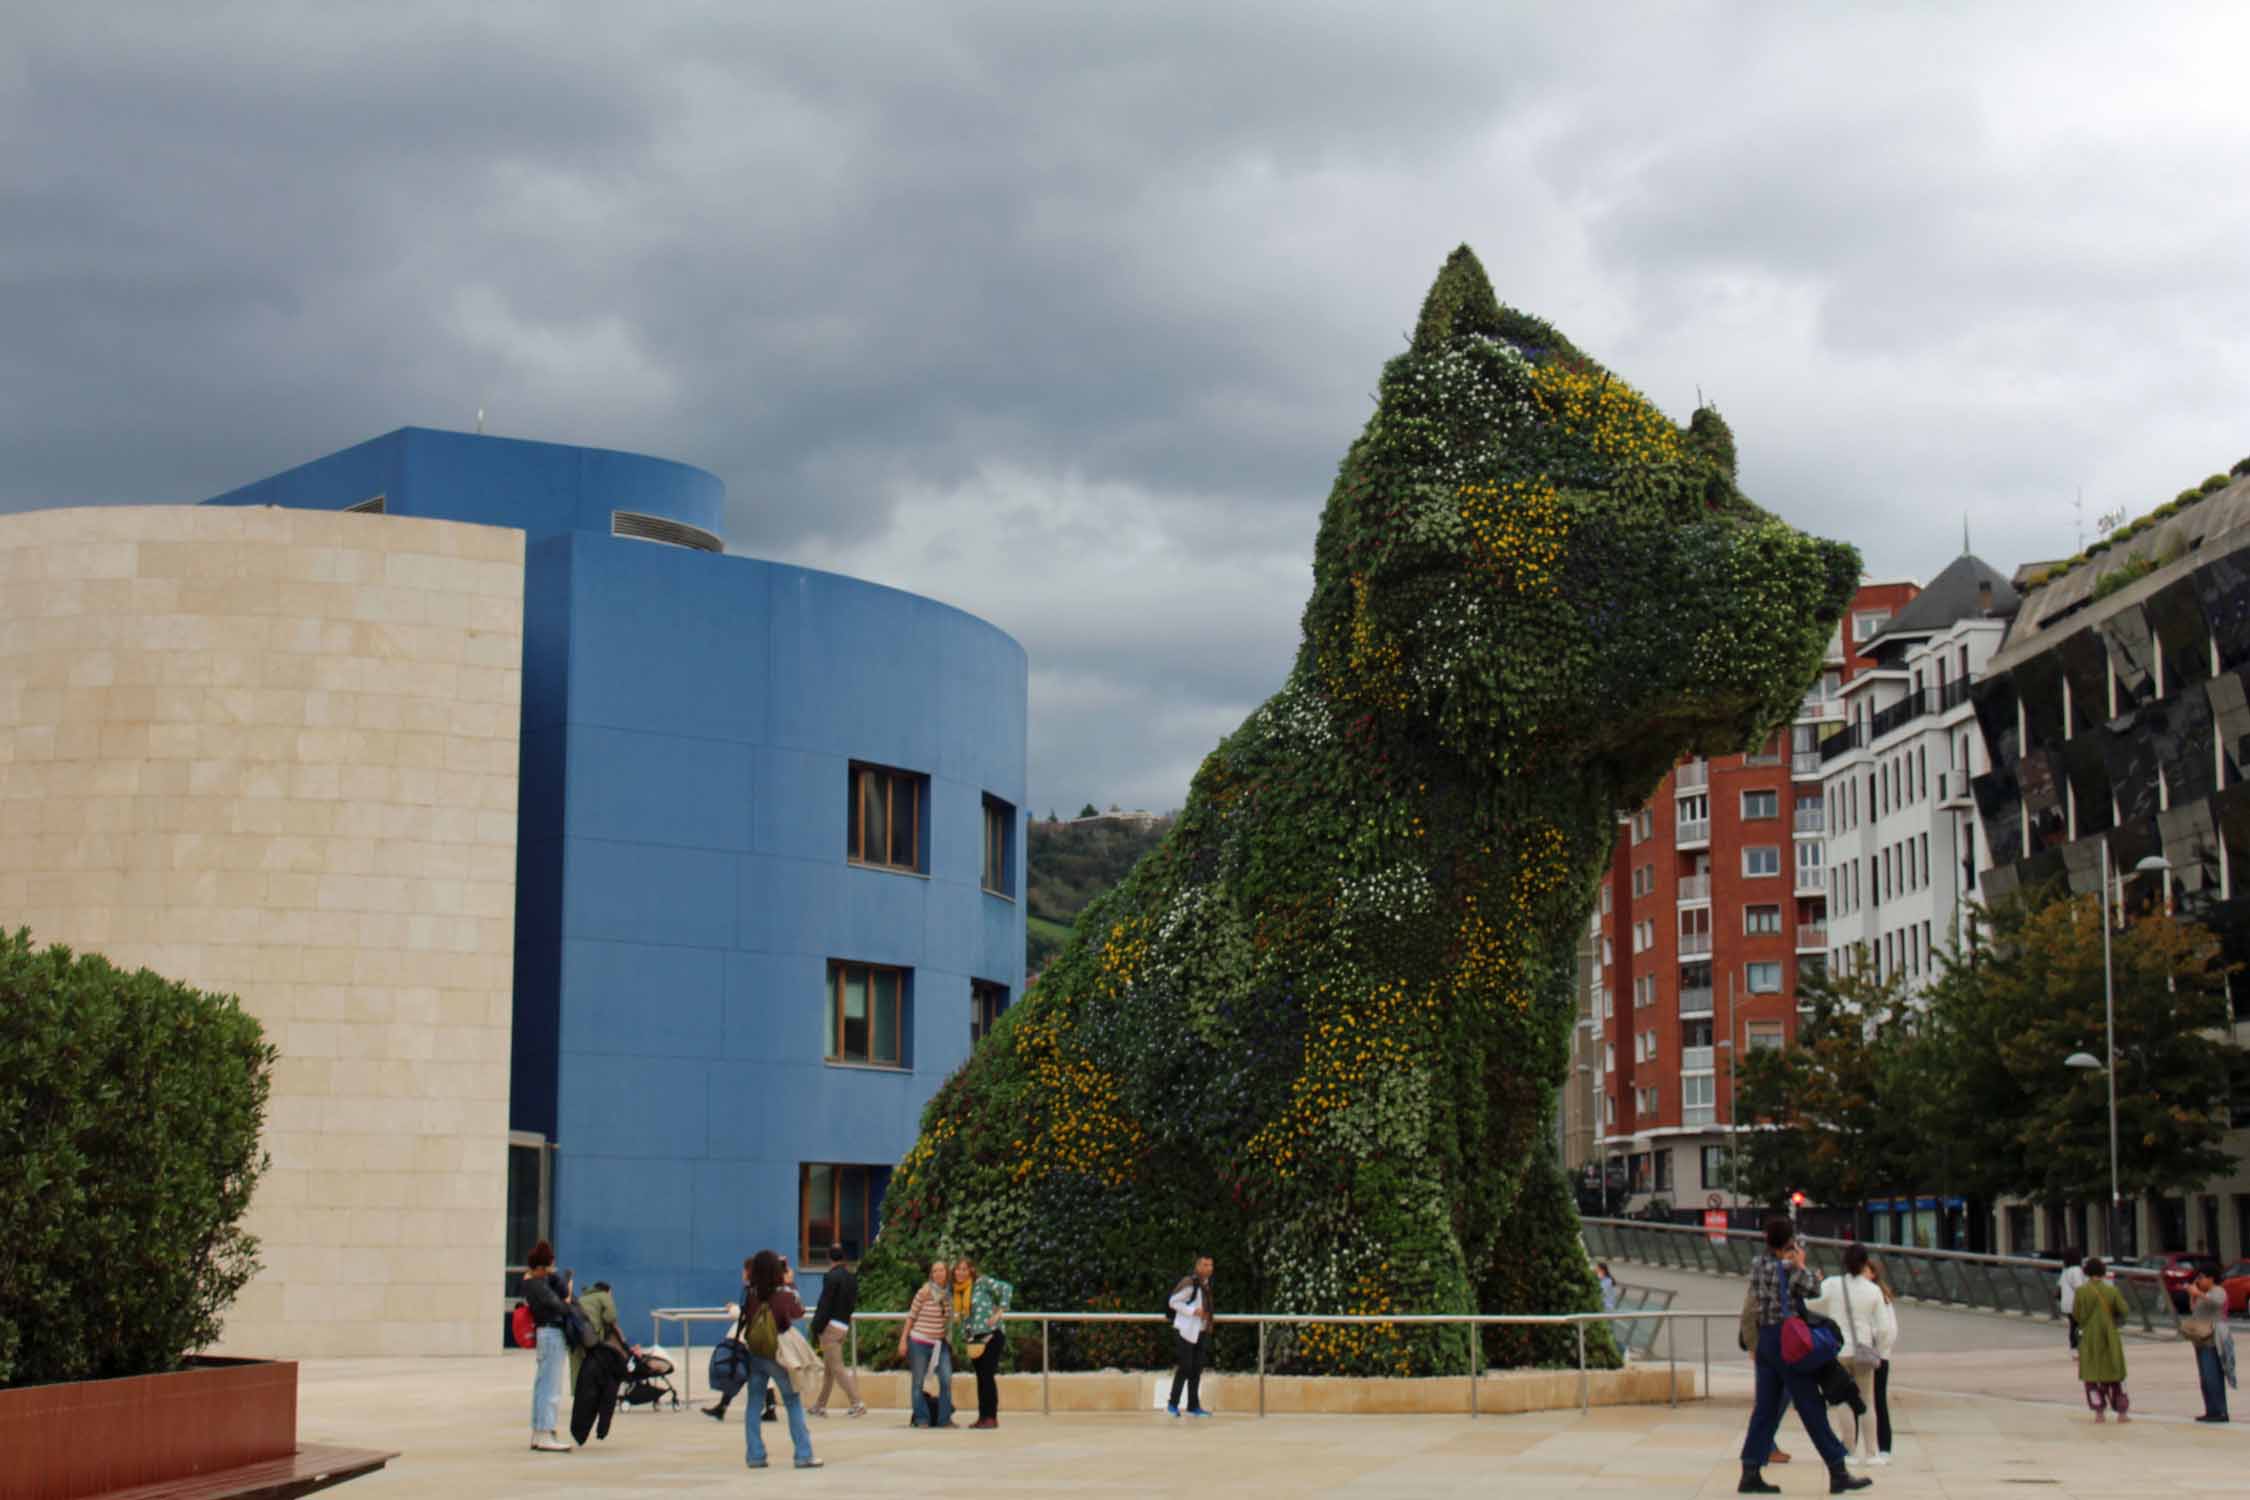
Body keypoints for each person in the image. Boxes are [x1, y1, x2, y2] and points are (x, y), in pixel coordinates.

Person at [1736, 1217, 1867, 1495]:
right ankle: (1837, 1469)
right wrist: (1802, 1264)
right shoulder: (1789, 1268)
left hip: (1766, 1341)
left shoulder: (1757, 1265)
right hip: (1789, 1342)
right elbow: (1814, 1289)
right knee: (1811, 1406)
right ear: (1788, 1243)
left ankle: (1750, 1469)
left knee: (1765, 1408)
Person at [1811, 1243, 1897, 1469]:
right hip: (1863, 1351)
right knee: (1867, 1401)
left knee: (1842, 1402)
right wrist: (1880, 1349)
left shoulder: (1832, 1285)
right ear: (1863, 1263)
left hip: (1838, 1351)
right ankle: (1871, 1453)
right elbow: (1884, 1328)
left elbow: (1810, 1302)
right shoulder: (1872, 1290)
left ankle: (1848, 1450)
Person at [739, 1249, 822, 1469]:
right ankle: (803, 1454)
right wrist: (791, 1284)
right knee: (792, 1401)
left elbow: (745, 1315)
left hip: (755, 1352)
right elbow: (799, 1312)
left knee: (754, 1403)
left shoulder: (750, 1293)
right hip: (778, 1354)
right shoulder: (784, 1293)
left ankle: (755, 1455)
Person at [520, 1241, 572, 1454]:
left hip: (546, 1335)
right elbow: (560, 1305)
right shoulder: (537, 1285)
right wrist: (567, 1297)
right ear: (542, 1266)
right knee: (550, 1387)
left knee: (543, 1385)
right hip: (551, 1334)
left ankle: (540, 1432)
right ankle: (545, 1432)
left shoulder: (535, 1282)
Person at [807, 1243, 866, 1419]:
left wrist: (816, 1326)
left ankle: (857, 1403)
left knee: (837, 1368)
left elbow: (825, 1304)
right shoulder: (851, 1278)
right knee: (829, 1368)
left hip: (830, 1327)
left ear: (829, 1258)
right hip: (843, 1325)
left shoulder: (831, 1277)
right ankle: (820, 1405)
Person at [955, 1255, 1015, 1429]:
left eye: (964, 1269)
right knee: (981, 1377)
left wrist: (999, 1312)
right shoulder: (958, 1291)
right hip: (974, 1339)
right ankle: (983, 1416)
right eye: (958, 1269)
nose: (961, 1272)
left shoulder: (981, 1283)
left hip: (991, 1334)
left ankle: (991, 1416)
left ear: (971, 1270)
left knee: (987, 1376)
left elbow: (1006, 1288)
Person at [569, 1281, 631, 1446]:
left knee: (581, 1372)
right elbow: (611, 1317)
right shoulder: (604, 1296)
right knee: (602, 1376)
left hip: (577, 1339)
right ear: (608, 1290)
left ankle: (579, 1397)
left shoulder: (584, 1297)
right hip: (594, 1340)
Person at [899, 1259, 957, 1428]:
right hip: (919, 1342)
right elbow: (911, 1317)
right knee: (918, 1382)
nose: (938, 1274)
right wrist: (903, 1340)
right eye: (935, 1271)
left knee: (946, 1379)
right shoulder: (923, 1293)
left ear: (946, 1273)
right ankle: (922, 1418)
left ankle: (944, 1419)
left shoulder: (948, 1295)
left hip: (940, 1343)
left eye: (941, 1270)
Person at [2072, 1256, 2130, 1422]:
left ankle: (2099, 1412)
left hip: (2089, 1337)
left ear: (2086, 1272)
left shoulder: (2081, 1292)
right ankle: (2122, 1412)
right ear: (2103, 1273)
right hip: (2110, 1336)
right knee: (2116, 1374)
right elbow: (2124, 1310)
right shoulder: (2112, 1291)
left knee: (2092, 1377)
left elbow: (2077, 1314)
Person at [704, 1257, 757, 1423]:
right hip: (750, 1337)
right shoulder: (753, 1289)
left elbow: (747, 1313)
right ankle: (722, 1407)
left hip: (749, 1338)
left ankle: (723, 1407)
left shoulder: (752, 1290)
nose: (742, 1273)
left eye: (744, 1270)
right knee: (745, 1371)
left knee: (743, 1371)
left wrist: (733, 1309)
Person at [1167, 1254, 1216, 1419]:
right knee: (1185, 1367)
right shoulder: (1190, 1284)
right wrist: (1192, 1311)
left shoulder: (1206, 1285)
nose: (1208, 1268)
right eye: (1205, 1265)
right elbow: (1173, 1301)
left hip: (1201, 1331)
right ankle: (1172, 1404)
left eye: (1210, 1265)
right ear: (1197, 1266)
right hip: (1186, 1331)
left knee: (1196, 1369)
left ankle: (1193, 1405)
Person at [2186, 1269, 2234, 1423]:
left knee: (2212, 1375)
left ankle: (2220, 1411)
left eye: (2201, 1277)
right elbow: (2195, 1310)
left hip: (2213, 1339)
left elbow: (2215, 1304)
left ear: (2211, 1278)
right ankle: (2210, 1410)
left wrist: (2198, 1294)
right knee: (2205, 1377)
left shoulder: (2218, 1291)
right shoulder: (2203, 1293)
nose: (2199, 1281)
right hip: (2201, 1338)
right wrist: (2193, 1295)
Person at [1865, 1257, 1899, 1464]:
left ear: (1874, 1273)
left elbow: (1890, 1330)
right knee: (1856, 1401)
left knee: (1878, 1401)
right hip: (1862, 1354)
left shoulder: (1882, 1297)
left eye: (1866, 1271)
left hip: (1878, 1357)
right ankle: (1852, 1445)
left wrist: (1878, 1351)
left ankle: (1884, 1447)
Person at [2057, 1249, 2087, 1355]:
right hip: (2076, 1303)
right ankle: (2080, 1345)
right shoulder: (2076, 1270)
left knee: (2073, 1325)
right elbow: (2079, 1288)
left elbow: (2059, 1287)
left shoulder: (2065, 1271)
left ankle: (2073, 1347)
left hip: (2066, 1304)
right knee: (2080, 1326)